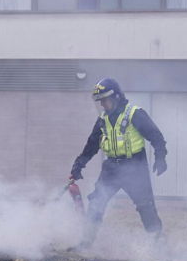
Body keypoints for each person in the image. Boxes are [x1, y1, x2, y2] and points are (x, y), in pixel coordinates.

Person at [69, 77, 167, 249]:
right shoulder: (103, 120)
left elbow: (156, 136)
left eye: (105, 100)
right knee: (96, 203)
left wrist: (160, 157)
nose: (102, 105)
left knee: (146, 208)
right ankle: (85, 244)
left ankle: (159, 248)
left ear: (116, 97)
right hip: (111, 169)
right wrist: (79, 165)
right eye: (100, 102)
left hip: (135, 167)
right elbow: (91, 146)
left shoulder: (135, 114)